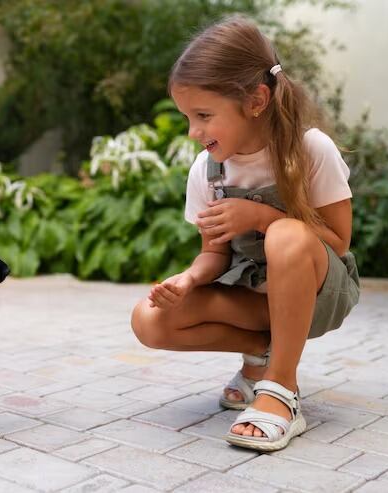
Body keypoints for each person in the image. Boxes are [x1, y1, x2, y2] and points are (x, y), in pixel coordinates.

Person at [130, 15, 360, 452]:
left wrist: (260, 217)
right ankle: (261, 353)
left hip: (318, 296)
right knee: (149, 320)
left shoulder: (310, 150)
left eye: (203, 115)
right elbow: (214, 255)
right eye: (187, 117)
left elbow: (337, 240)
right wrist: (189, 280)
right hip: (253, 299)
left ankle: (281, 389)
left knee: (286, 234)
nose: (194, 132)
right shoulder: (208, 171)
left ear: (256, 101)